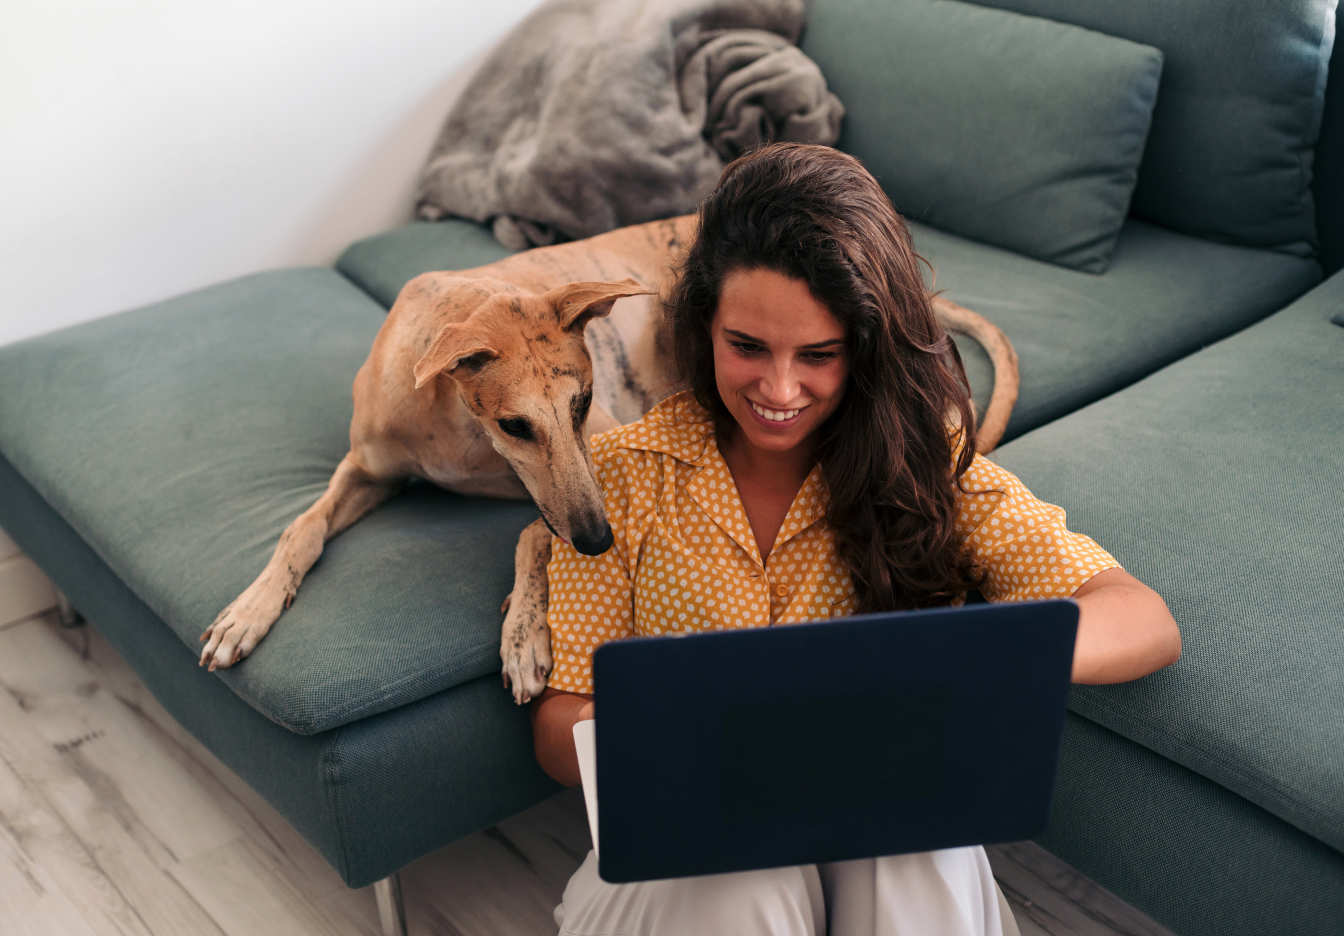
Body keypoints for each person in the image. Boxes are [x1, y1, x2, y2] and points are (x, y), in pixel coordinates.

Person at [531, 143, 1181, 936]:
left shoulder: (922, 468)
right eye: (747, 347)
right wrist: (686, 737)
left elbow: (1141, 618)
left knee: (915, 851)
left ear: (865, 346)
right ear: (703, 328)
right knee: (742, 878)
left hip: (875, 827)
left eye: (818, 355)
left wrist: (973, 658)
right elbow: (562, 728)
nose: (778, 390)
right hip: (689, 854)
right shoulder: (623, 476)